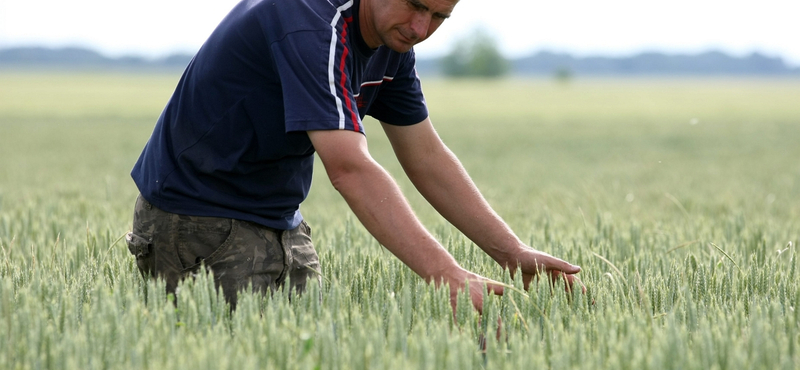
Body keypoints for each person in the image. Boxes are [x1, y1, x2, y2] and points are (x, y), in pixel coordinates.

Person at [126, 0, 583, 311]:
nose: (421, 28)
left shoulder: (392, 41)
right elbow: (349, 168)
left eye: (440, 16)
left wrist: (513, 254)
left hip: (279, 218)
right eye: (415, 4)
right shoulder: (311, 20)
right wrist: (445, 273)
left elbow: (425, 156)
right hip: (197, 219)